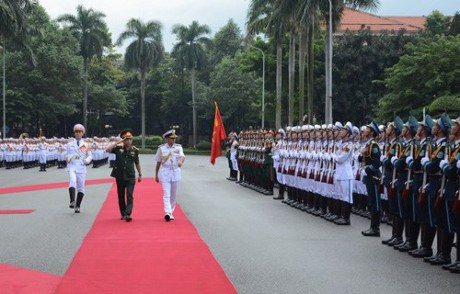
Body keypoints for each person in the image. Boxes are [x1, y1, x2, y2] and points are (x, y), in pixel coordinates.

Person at [106, 129, 142, 222]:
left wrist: (140, 174)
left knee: (129, 194)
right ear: (123, 140)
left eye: (130, 139)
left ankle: (128, 213)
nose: (128, 141)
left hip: (130, 176)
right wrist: (117, 142)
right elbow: (107, 150)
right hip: (120, 176)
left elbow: (137, 163)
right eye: (126, 139)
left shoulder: (135, 150)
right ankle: (123, 213)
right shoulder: (118, 149)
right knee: (121, 195)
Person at [155, 129, 185, 222]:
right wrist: (156, 174)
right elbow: (158, 162)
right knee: (166, 193)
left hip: (175, 171)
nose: (174, 140)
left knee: (173, 194)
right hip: (165, 172)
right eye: (172, 138)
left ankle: (171, 211)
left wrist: (180, 161)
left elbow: (182, 156)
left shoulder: (178, 147)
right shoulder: (161, 148)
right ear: (167, 139)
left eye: (174, 138)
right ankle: (167, 212)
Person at [65, 124, 92, 213]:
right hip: (72, 165)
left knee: (81, 187)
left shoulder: (86, 145)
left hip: (81, 166)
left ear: (82, 133)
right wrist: (67, 158)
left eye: (79, 132)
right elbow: (66, 154)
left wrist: (87, 160)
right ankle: (72, 200)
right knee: (72, 180)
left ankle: (77, 206)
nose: (78, 134)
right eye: (76, 132)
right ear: (74, 133)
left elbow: (90, 155)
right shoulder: (69, 144)